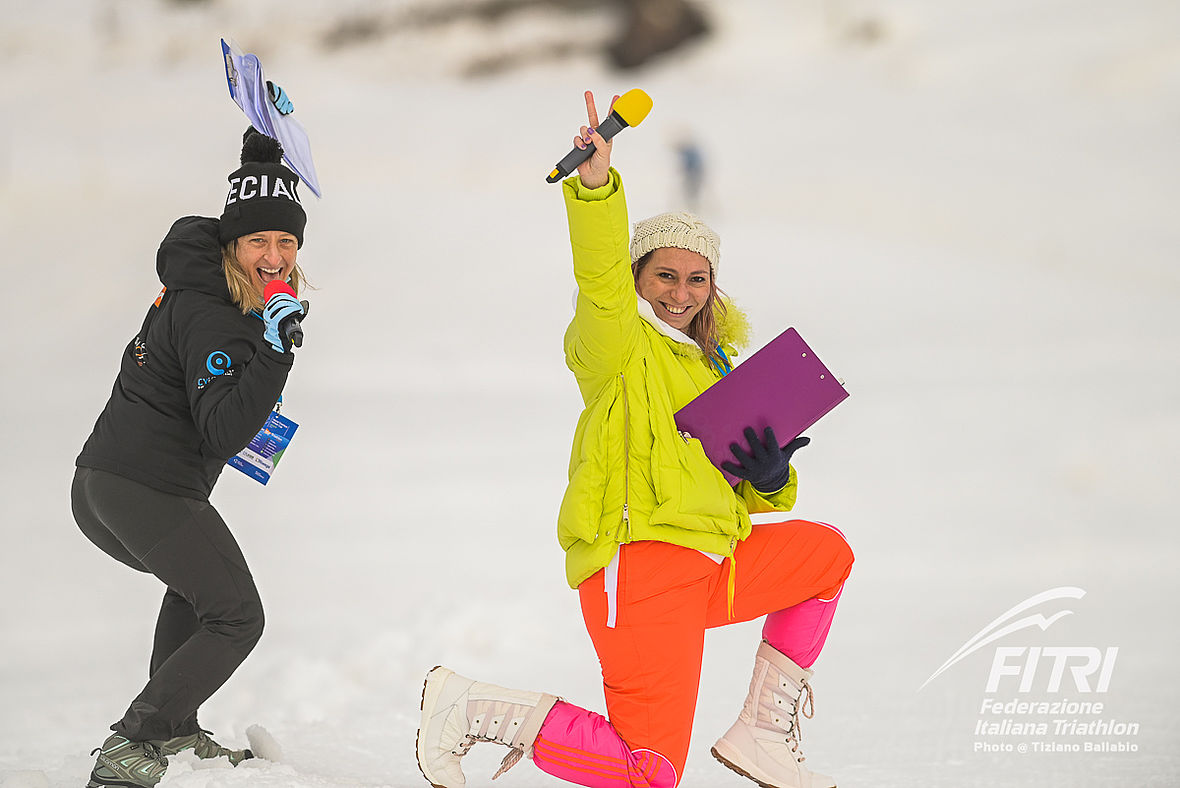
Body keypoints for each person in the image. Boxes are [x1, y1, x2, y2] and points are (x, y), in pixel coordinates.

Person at [416, 91, 854, 788]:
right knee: (648, 771)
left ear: (712, 287)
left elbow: (728, 483)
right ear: (640, 279)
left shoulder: (713, 368)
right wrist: (597, 188)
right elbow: (599, 281)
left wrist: (769, 476)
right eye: (664, 276)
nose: (680, 292)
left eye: (696, 279)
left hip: (711, 559)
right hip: (641, 565)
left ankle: (763, 733)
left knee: (825, 555)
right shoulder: (618, 346)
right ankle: (472, 708)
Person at [72, 99, 310, 788]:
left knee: (200, 590)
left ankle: (171, 733)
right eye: (259, 243)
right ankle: (133, 742)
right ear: (232, 246)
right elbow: (223, 430)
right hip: (142, 489)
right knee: (237, 615)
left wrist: (261, 163)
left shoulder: (210, 285)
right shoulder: (218, 314)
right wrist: (273, 352)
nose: (274, 257)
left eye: (287, 243)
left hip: (106, 485)